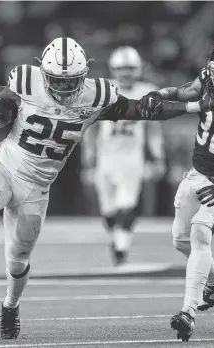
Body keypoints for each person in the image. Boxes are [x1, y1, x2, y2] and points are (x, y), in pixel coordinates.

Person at [0, 37, 192, 340]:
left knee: (18, 260)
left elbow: (143, 110)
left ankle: (10, 306)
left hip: (37, 189)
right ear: (43, 73)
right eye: (57, 80)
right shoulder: (25, 82)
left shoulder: (97, 96)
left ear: (83, 76)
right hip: (4, 168)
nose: (63, 88)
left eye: (70, 81)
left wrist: (194, 105)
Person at [141, 37, 214, 341]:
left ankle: (188, 312)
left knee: (201, 230)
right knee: (180, 241)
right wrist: (157, 93)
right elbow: (182, 91)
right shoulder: (209, 78)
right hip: (196, 173)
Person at [81, 46, 165, 265]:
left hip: (131, 158)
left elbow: (153, 130)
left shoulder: (148, 91)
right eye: (121, 68)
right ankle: (117, 239)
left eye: (129, 68)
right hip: (106, 157)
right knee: (108, 210)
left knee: (127, 205)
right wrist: (89, 159)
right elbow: (90, 128)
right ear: (113, 69)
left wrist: (157, 157)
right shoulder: (103, 90)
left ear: (137, 69)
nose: (125, 73)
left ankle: (121, 248)